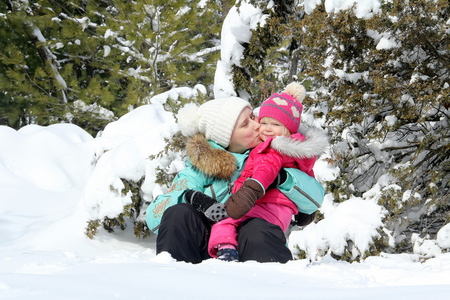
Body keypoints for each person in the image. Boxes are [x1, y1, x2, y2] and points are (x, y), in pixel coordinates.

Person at [145, 94, 327, 264]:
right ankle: (175, 282)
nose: (257, 125)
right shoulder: (199, 169)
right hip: (206, 246)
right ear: (227, 138)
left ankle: (269, 286)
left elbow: (314, 202)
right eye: (245, 124)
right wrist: (192, 198)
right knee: (179, 214)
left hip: (253, 243)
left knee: (255, 229)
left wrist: (282, 178)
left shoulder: (272, 153)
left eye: (253, 117)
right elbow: (154, 217)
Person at [208, 82, 328, 261]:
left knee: (225, 220)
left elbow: (266, 169)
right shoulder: (298, 150)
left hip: (264, 205)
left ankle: (226, 249)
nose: (267, 128)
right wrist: (307, 211)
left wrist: (250, 190)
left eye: (275, 124)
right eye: (263, 122)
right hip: (281, 211)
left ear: (288, 130)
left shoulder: (273, 147)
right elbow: (308, 174)